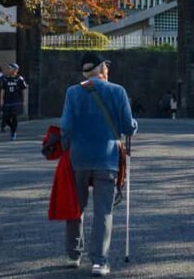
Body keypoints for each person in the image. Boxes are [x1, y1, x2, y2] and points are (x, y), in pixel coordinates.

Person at [61, 52, 137, 277]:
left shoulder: (73, 92)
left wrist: (65, 149)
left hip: (79, 157)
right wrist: (134, 124)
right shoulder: (117, 91)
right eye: (107, 66)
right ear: (102, 68)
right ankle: (99, 261)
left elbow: (66, 126)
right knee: (103, 210)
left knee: (77, 206)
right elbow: (127, 127)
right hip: (107, 158)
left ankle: (74, 255)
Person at [0, 63, 27, 141]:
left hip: (16, 100)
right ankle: (12, 127)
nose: (8, 70)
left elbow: (23, 90)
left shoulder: (19, 79)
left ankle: (13, 132)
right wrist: (1, 99)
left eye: (10, 68)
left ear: (15, 70)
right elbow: (3, 89)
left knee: (14, 116)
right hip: (7, 100)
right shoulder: (5, 79)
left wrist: (24, 100)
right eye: (8, 68)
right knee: (6, 117)